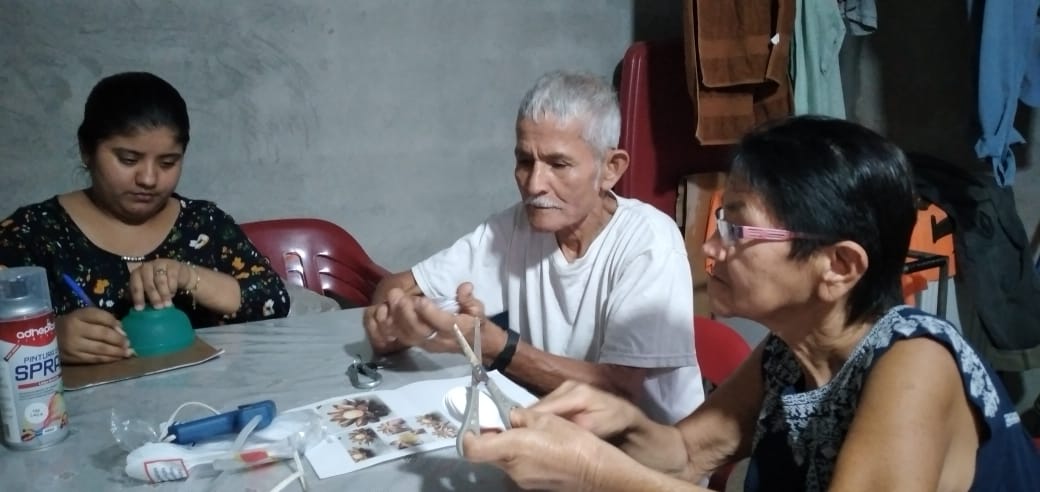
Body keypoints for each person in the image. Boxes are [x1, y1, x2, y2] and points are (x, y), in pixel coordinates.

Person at [455, 116, 1040, 491]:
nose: (711, 248)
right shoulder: (789, 352)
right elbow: (686, 453)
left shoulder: (915, 365)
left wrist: (591, 469)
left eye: (737, 229)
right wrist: (619, 424)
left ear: (838, 266)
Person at [364, 70, 704, 424]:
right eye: (525, 161)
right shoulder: (516, 226)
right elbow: (399, 286)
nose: (534, 184)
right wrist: (395, 325)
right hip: (558, 430)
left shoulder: (649, 243)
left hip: (645, 450)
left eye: (559, 164)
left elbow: (617, 392)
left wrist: (497, 346)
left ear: (610, 169)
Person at [0, 72, 290, 365]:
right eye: (128, 160)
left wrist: (189, 276)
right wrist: (47, 338)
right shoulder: (32, 233)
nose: (148, 179)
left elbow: (273, 300)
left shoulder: (204, 224)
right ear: (86, 150)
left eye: (168, 162)